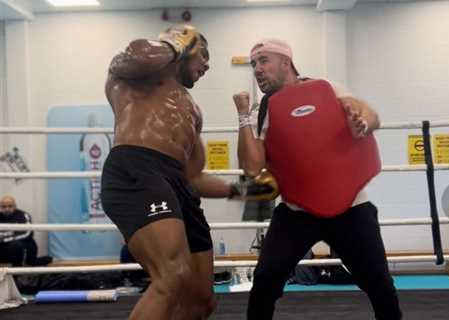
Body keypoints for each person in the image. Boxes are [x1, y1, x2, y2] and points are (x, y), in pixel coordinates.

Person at [101, 25, 276, 320]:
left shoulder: (192, 110)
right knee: (171, 276)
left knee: (200, 300)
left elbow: (194, 178)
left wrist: (242, 190)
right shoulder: (134, 74)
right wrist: (175, 44)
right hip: (136, 167)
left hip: (176, 184)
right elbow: (132, 58)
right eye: (204, 55)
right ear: (186, 47)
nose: (207, 65)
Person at [233, 39, 402, 320]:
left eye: (264, 61)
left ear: (286, 63)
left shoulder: (326, 87)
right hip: (297, 213)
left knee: (379, 284)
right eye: (253, 64)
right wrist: (242, 116)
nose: (257, 70)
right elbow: (252, 167)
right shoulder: (266, 108)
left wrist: (363, 121)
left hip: (350, 207)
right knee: (265, 281)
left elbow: (370, 114)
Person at [0, 195, 52, 267]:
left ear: (15, 206)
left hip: (17, 249)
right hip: (2, 250)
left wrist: (5, 239)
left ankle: (21, 269)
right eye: (3, 207)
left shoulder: (23, 215)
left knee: (18, 244)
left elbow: (28, 233)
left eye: (10, 206)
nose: (7, 209)